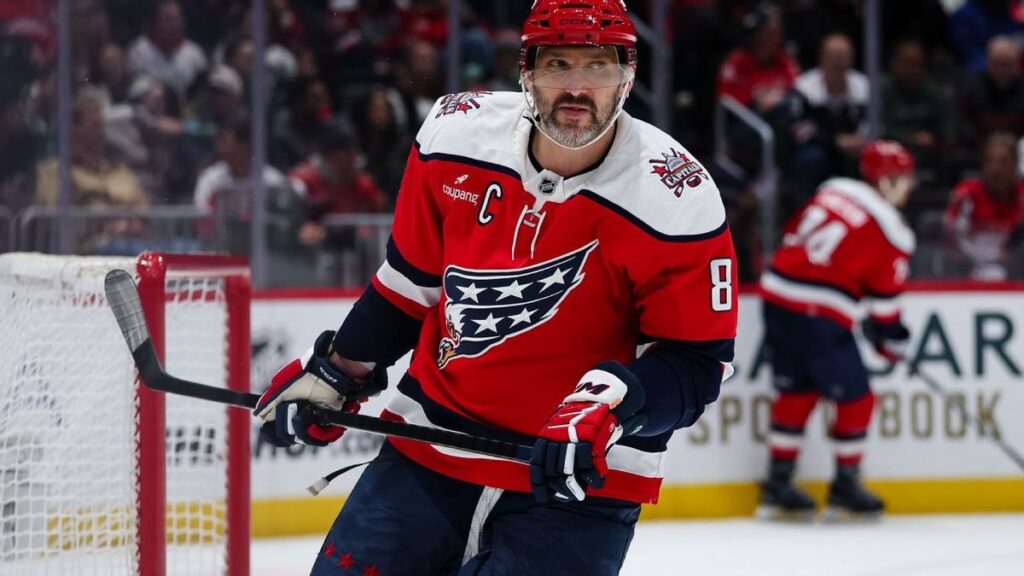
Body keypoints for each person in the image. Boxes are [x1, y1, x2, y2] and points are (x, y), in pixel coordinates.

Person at [252, 1, 738, 574]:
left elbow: (696, 363)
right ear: (526, 72)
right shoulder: (453, 137)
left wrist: (614, 407)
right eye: (557, 64)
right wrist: (341, 367)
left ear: (627, 77)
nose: (577, 86)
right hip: (429, 450)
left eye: (597, 66)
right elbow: (409, 286)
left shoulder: (676, 196)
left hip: (576, 482)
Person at [758, 140, 917, 520]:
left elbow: (794, 235)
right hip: (820, 313)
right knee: (856, 398)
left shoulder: (831, 190)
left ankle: (778, 484)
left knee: (796, 390)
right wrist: (891, 340)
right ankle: (846, 486)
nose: (908, 187)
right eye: (903, 179)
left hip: (777, 297)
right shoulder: (893, 231)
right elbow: (885, 310)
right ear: (887, 181)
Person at [944, 132, 1024, 280]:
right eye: (990, 161)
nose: (996, 169)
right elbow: (951, 237)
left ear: (1015, 164)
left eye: (1003, 162)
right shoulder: (967, 193)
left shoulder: (1022, 195)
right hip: (970, 268)